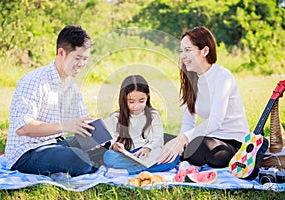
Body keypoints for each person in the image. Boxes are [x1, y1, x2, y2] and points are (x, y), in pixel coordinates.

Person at [5, 25, 107, 177]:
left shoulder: (71, 86)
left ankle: (95, 156)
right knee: (82, 160)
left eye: (85, 59)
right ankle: (87, 160)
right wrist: (65, 126)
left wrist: (96, 136)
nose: (81, 64)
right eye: (77, 58)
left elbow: (82, 122)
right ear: (61, 53)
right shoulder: (34, 80)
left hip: (55, 144)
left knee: (104, 140)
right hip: (28, 152)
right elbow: (23, 128)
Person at [157, 26, 249, 168]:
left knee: (198, 145)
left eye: (188, 50)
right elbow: (188, 122)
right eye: (181, 51)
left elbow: (215, 122)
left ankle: (184, 157)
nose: (183, 56)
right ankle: (182, 155)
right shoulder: (191, 79)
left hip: (231, 144)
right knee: (161, 139)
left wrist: (184, 139)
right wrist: (180, 143)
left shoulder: (223, 77)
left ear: (205, 51)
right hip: (208, 138)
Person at [103, 75, 179, 175]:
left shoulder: (153, 115)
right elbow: (113, 141)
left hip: (148, 153)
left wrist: (148, 148)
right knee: (109, 156)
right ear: (124, 99)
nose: (136, 106)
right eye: (131, 102)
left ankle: (129, 171)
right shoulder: (116, 117)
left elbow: (158, 139)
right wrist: (115, 146)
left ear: (147, 97)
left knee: (173, 156)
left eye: (141, 101)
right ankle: (142, 168)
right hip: (128, 154)